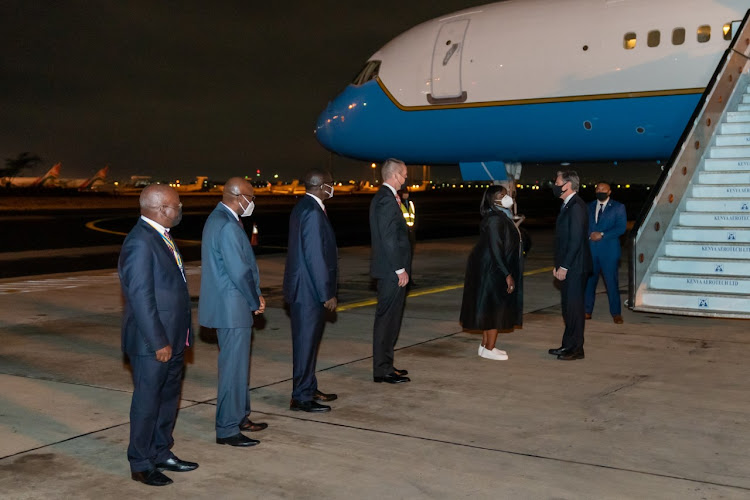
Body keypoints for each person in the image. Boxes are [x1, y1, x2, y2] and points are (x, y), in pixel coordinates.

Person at [118, 184, 198, 486]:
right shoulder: (140, 242)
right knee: (147, 402)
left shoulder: (161, 237)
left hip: (174, 338)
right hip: (153, 342)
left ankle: (161, 451)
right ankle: (140, 462)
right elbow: (141, 298)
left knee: (167, 399)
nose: (179, 210)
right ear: (161, 208)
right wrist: (158, 341)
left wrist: (181, 335)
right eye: (176, 205)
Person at [199, 177, 267, 448]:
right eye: (250, 197)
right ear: (237, 196)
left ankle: (240, 416)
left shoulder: (220, 220)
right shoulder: (226, 225)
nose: (252, 202)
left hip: (231, 306)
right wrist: (255, 299)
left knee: (239, 367)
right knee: (232, 370)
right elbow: (239, 271)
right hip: (232, 307)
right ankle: (227, 429)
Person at [283, 169, 339, 412]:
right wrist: (326, 293)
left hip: (303, 288)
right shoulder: (312, 212)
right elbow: (315, 256)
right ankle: (301, 397)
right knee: (306, 343)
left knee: (309, 343)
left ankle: (308, 386)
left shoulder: (304, 206)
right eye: (331, 184)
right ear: (322, 186)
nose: (333, 187)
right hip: (308, 291)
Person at [460, 185, 523, 360]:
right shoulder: (495, 219)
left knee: (489, 306)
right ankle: (489, 347)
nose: (506, 197)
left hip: (491, 267)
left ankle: (484, 346)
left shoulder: (499, 216)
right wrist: (507, 274)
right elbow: (496, 248)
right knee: (495, 308)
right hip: (493, 269)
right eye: (501, 195)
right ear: (492, 199)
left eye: (506, 194)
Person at [369, 158, 412, 384]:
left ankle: (387, 365)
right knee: (386, 321)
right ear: (395, 175)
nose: (405, 179)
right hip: (390, 272)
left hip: (391, 271)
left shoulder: (390, 198)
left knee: (392, 320)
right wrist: (399, 269)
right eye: (404, 174)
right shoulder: (386, 200)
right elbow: (388, 239)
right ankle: (381, 370)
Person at [549, 171, 592, 361]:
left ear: (567, 185)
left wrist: (564, 267)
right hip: (569, 265)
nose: (554, 185)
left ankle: (576, 349)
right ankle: (567, 345)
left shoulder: (576, 206)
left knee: (574, 309)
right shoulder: (568, 205)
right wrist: (558, 265)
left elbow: (575, 240)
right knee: (568, 308)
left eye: (557, 182)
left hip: (575, 267)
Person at [585, 182, 627, 324]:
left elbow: (621, 228)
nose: (600, 191)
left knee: (611, 283)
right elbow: (583, 225)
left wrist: (602, 234)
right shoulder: (588, 206)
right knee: (589, 283)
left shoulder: (618, 207)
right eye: (598, 189)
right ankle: (587, 311)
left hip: (609, 252)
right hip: (591, 251)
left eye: (603, 189)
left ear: (609, 192)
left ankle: (616, 313)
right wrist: (589, 235)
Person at [398, 186, 417, 286]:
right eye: (405, 193)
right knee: (403, 258)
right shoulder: (399, 204)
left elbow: (413, 216)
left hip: (410, 233)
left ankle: (409, 277)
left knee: (409, 257)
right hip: (403, 234)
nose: (407, 194)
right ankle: (405, 278)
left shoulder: (410, 203)